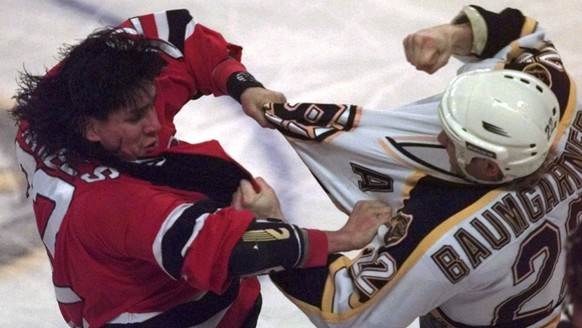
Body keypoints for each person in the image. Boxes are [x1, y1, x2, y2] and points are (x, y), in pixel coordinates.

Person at [10, 9, 392, 328]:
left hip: (127, 276)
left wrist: (244, 86)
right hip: (162, 314)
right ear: (91, 129)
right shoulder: (114, 203)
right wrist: (342, 237)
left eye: (152, 103)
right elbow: (230, 249)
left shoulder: (62, 105)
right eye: (136, 117)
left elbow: (174, 33)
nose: (155, 124)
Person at [258, 5, 580, 327]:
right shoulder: (563, 105)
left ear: (490, 167)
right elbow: (521, 35)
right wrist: (451, 35)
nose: (440, 138)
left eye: (455, 138)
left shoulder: (440, 232)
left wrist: (274, 226)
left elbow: (345, 313)